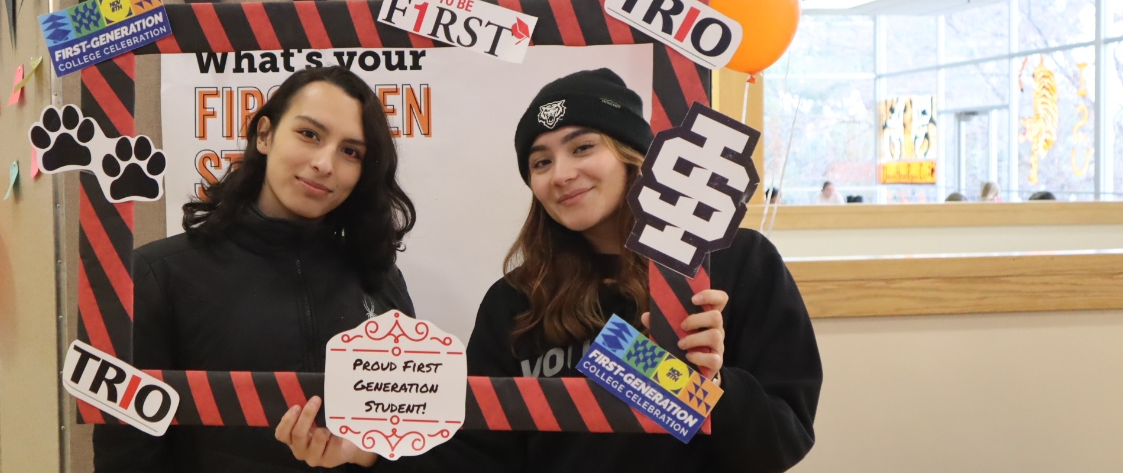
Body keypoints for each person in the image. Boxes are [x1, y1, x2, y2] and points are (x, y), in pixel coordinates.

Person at [278, 69, 822, 472]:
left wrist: (708, 383)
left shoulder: (729, 264)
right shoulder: (515, 301)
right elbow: (475, 453)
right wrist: (372, 454)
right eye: (540, 161)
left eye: (583, 147)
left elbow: (781, 443)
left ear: (634, 155)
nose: (562, 174)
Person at [93, 67, 417, 472]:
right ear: (264, 134)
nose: (324, 163)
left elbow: (409, 437)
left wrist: (363, 453)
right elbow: (127, 454)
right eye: (309, 134)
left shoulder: (380, 279)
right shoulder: (159, 276)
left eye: (351, 152)